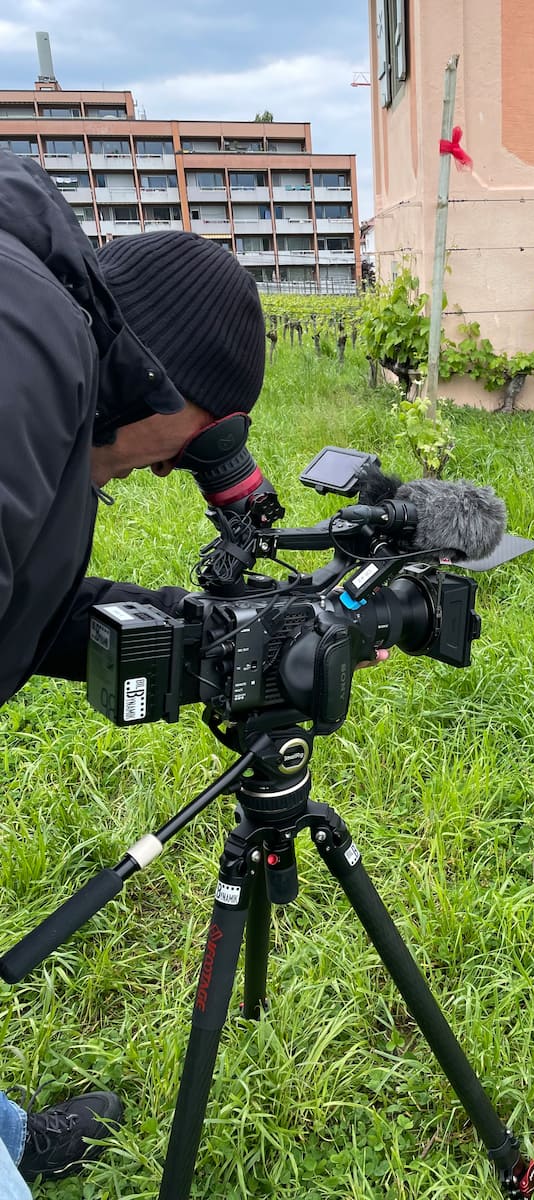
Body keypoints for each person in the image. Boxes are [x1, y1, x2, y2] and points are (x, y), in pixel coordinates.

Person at [0, 148, 266, 1189]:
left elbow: (38, 602)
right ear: (164, 381)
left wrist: (204, 635)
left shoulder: (47, 339)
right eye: (189, 444)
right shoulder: (27, 336)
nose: (168, 467)